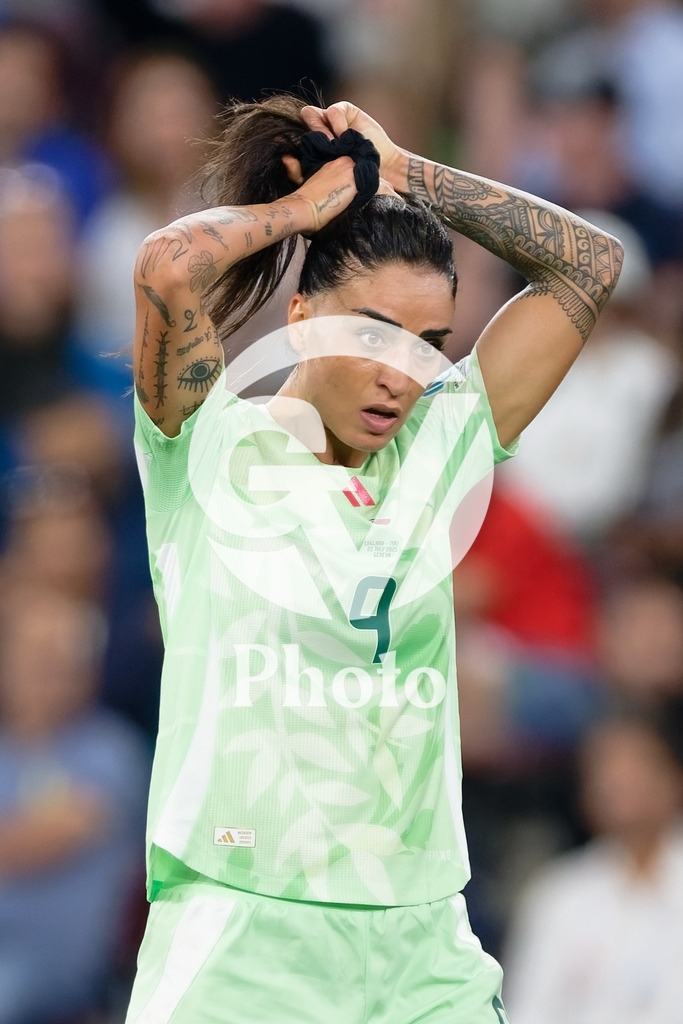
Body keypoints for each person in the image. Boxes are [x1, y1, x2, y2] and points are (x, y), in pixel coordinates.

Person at [125, 94, 623, 1023]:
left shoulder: (445, 449)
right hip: (243, 934)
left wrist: (406, 174)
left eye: (429, 344)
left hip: (422, 943)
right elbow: (166, 267)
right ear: (303, 314)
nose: (403, 372)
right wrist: (306, 211)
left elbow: (588, 265)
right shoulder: (206, 447)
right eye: (373, 333)